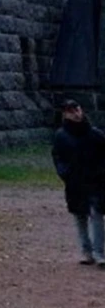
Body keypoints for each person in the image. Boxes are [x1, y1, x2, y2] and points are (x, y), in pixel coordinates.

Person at [52, 99, 105, 265]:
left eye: (77, 109)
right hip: (75, 182)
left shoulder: (95, 134)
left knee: (97, 215)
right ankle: (86, 251)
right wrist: (65, 174)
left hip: (96, 181)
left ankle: (99, 253)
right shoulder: (61, 136)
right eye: (71, 111)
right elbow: (58, 157)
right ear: (65, 114)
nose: (75, 114)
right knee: (80, 216)